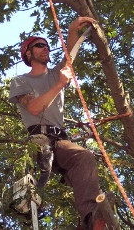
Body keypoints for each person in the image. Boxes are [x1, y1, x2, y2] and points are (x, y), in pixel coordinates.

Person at [9, 17, 106, 230]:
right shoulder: (21, 81)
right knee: (40, 167)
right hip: (39, 139)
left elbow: (71, 52)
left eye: (47, 45)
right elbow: (34, 108)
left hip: (61, 140)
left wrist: (73, 30)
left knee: (84, 157)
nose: (46, 48)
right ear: (28, 53)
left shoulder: (55, 74)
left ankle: (90, 219)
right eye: (39, 45)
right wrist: (60, 85)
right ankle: (28, 201)